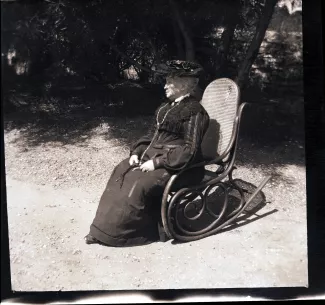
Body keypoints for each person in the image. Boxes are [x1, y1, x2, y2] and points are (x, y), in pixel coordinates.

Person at [85, 60, 210, 247]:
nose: (165, 85)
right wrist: (137, 151)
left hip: (183, 167)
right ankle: (103, 229)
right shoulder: (165, 107)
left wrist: (158, 163)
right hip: (153, 156)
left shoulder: (195, 112)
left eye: (170, 82)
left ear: (183, 85)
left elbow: (190, 149)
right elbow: (152, 134)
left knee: (140, 183)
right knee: (122, 169)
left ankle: (126, 234)